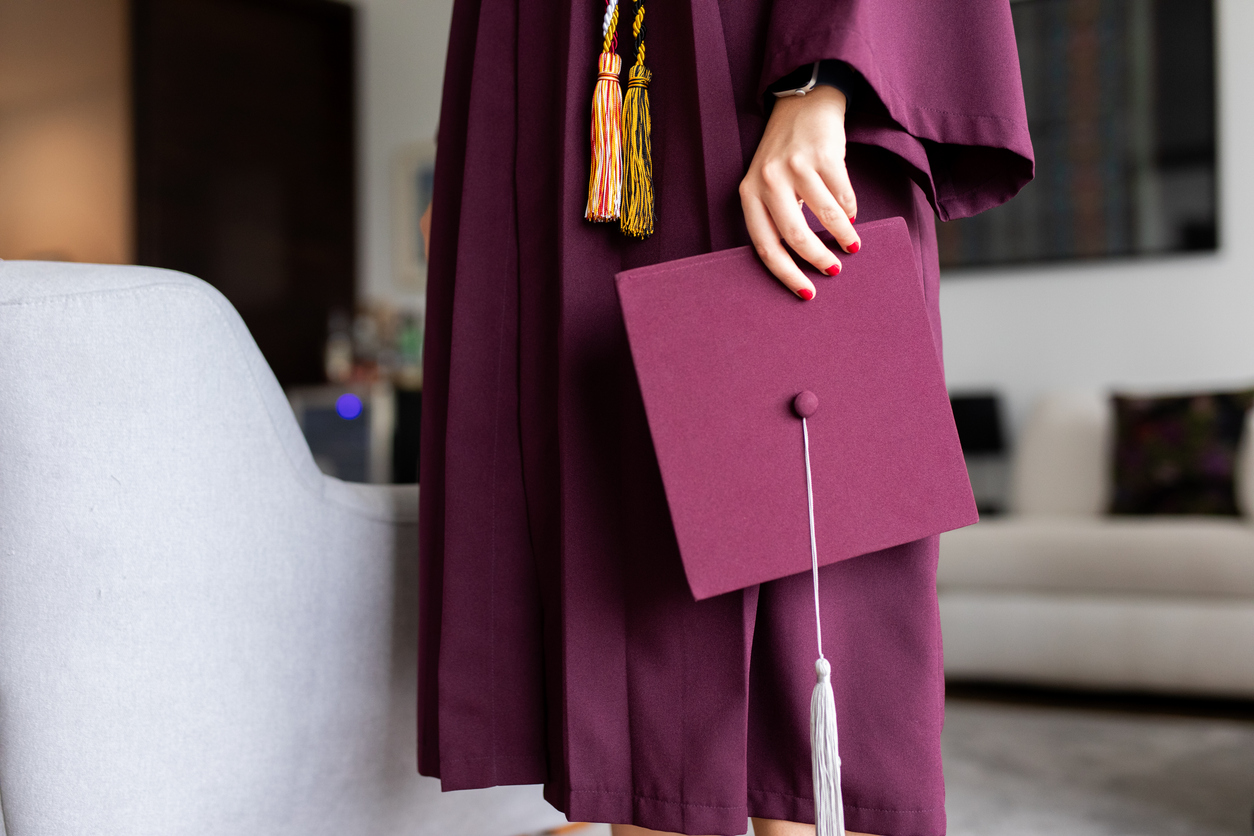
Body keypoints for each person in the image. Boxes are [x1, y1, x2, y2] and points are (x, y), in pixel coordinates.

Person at [416, 2, 1033, 835]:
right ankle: (644, 808)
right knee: (615, 533)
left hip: (762, 61)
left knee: (807, 570)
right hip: (575, 65)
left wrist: (823, 82)